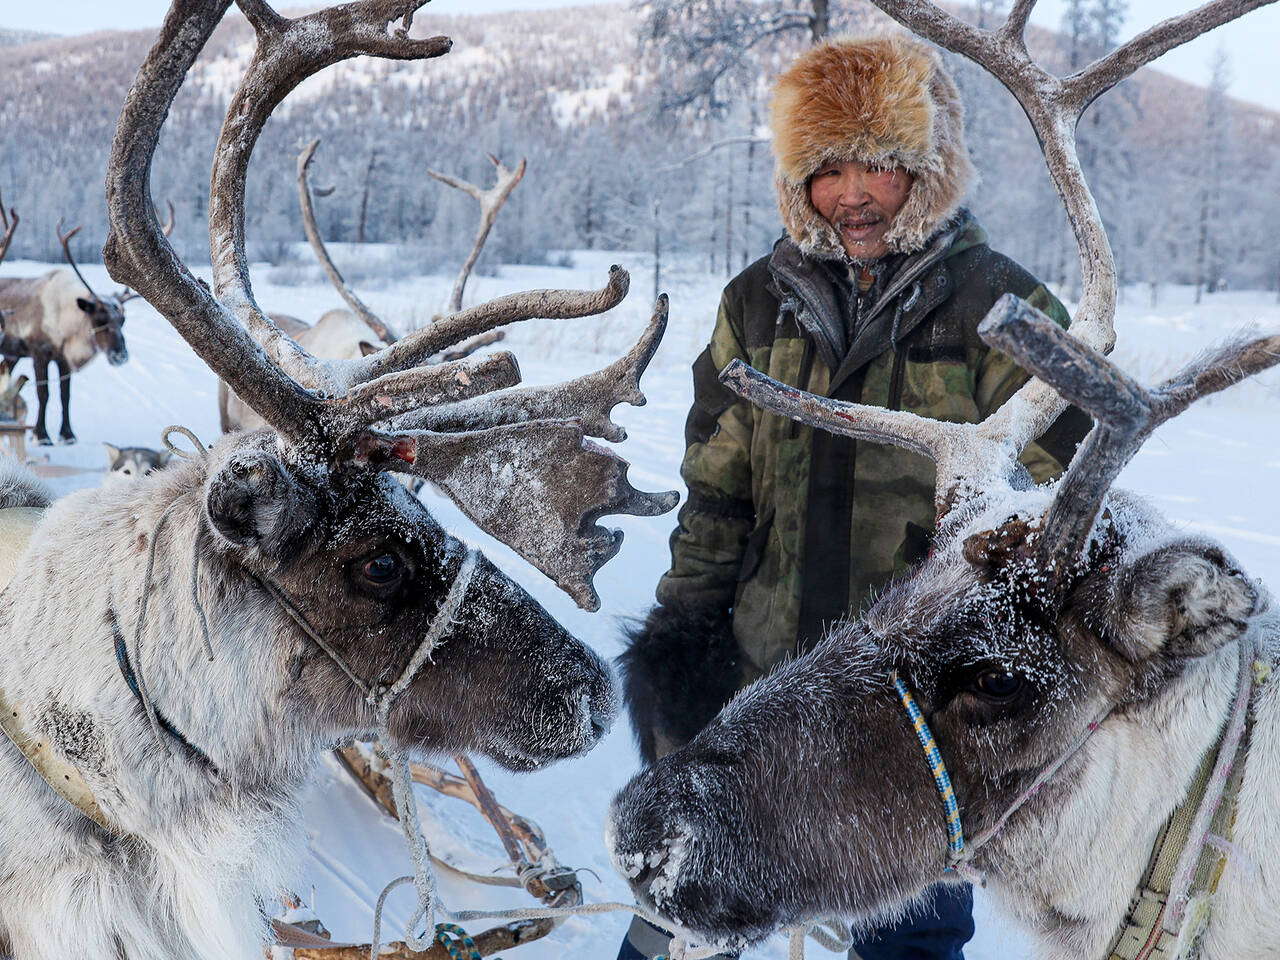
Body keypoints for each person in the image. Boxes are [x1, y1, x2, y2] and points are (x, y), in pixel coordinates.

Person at [616, 33, 1090, 960]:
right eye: (827, 168)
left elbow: (1062, 509)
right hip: (765, 672)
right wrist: (682, 643)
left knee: (908, 936)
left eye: (880, 162)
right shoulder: (755, 303)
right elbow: (717, 493)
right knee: (684, 908)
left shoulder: (1006, 309)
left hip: (915, 712)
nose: (854, 193)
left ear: (931, 169)